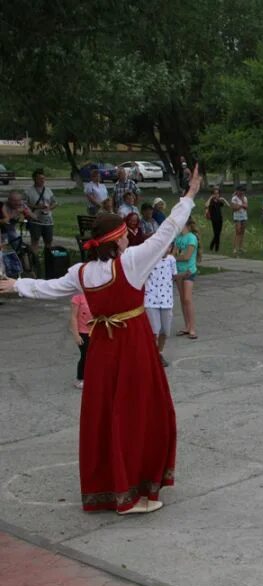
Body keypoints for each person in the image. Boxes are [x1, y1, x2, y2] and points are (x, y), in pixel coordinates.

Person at [0, 165, 202, 514]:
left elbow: (47, 288)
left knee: (107, 415)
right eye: (123, 235)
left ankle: (113, 489)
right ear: (114, 240)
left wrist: (17, 285)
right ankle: (134, 493)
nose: (128, 238)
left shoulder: (82, 271)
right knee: (141, 413)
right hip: (134, 344)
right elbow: (167, 231)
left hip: (103, 349)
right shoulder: (131, 263)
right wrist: (188, 197)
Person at [145, 247, 178, 367]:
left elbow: (174, 276)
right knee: (154, 331)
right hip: (150, 300)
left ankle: (159, 352)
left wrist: (185, 275)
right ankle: (153, 356)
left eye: (170, 246)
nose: (167, 249)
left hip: (167, 301)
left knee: (165, 331)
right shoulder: (150, 260)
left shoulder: (171, 260)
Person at [174, 218, 200, 339]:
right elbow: (174, 253)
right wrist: (175, 256)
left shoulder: (191, 237)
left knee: (187, 299)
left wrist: (174, 257)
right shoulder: (178, 238)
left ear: (186, 225)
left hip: (189, 271)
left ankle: (192, 328)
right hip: (179, 272)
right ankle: (187, 326)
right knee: (182, 299)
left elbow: (187, 256)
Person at [24, 168, 57, 253]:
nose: (42, 180)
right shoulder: (28, 191)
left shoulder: (48, 190)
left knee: (49, 241)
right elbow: (24, 205)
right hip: (35, 220)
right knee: (35, 241)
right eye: (40, 178)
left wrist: (49, 208)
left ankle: (49, 260)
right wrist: (37, 207)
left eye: (43, 178)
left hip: (48, 220)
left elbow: (55, 202)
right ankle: (35, 261)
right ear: (35, 179)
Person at [69, 293, 93, 389]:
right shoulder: (78, 297)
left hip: (96, 332)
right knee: (86, 355)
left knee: (96, 356)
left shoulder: (98, 294)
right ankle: (80, 379)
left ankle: (93, 377)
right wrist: (76, 335)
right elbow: (73, 317)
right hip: (83, 333)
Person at [205, 186, 225, 252]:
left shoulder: (219, 201)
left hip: (220, 219)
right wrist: (211, 198)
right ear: (212, 194)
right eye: (215, 193)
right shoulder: (211, 201)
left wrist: (219, 199)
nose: (216, 195)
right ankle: (215, 247)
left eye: (218, 193)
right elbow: (206, 205)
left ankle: (214, 246)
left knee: (218, 233)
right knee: (216, 233)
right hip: (214, 219)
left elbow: (223, 204)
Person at [230, 185, 248, 256]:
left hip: (244, 216)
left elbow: (246, 207)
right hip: (237, 217)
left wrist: (241, 204)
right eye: (240, 191)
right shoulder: (234, 198)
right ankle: (235, 248)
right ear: (237, 191)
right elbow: (234, 208)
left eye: (243, 191)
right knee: (238, 231)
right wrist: (241, 206)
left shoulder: (245, 198)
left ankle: (241, 247)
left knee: (242, 232)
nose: (242, 192)